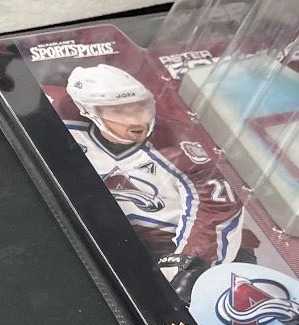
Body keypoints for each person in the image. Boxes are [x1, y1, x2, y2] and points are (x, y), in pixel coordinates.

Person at [64, 64, 253, 294]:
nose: (136, 120)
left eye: (139, 108)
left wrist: (189, 265)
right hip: (122, 241)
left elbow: (217, 209)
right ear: (88, 111)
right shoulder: (67, 127)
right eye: (119, 111)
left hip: (181, 246)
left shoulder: (181, 147)